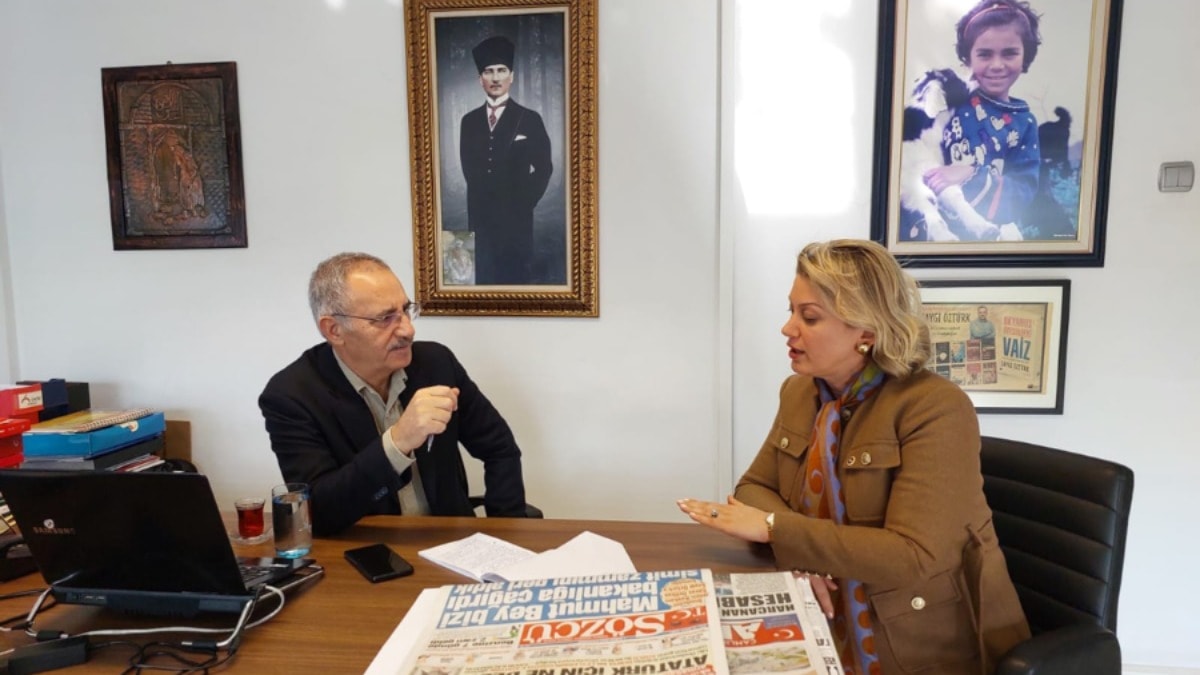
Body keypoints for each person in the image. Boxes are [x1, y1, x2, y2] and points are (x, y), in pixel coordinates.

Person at [678, 240, 1029, 674]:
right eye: (791, 311)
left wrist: (774, 529)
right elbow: (754, 487)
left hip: (922, 643)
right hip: (824, 613)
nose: (788, 328)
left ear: (867, 332)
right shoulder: (800, 392)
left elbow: (913, 556)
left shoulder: (935, 407)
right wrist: (799, 552)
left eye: (809, 317)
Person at [259, 252, 529, 535]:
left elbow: (500, 448)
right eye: (385, 318)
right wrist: (397, 442)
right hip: (364, 549)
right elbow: (319, 512)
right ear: (334, 330)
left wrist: (507, 530)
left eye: (405, 310)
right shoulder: (291, 395)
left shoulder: (436, 363)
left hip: (449, 541)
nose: (408, 330)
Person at [923, 0, 1044, 238]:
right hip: (935, 229)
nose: (997, 65)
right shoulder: (947, 98)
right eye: (985, 54)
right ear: (968, 58)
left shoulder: (1025, 123)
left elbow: (1023, 191)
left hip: (990, 236)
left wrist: (971, 174)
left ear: (1025, 56)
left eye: (1009, 53)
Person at [459, 35, 552, 285]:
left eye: (501, 70)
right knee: (481, 282)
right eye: (488, 71)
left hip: (517, 221)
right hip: (480, 220)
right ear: (480, 79)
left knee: (515, 281)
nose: (496, 77)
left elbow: (544, 167)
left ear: (512, 77)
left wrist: (524, 201)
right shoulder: (468, 122)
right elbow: (469, 169)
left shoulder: (529, 119)